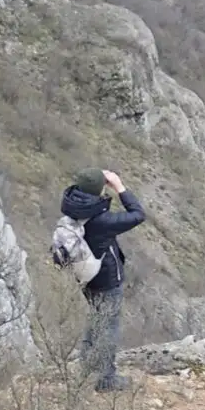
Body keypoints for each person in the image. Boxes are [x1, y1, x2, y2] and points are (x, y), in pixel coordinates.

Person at [59, 167, 146, 392]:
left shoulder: (73, 206)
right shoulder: (101, 219)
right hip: (106, 279)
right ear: (99, 189)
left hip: (86, 277)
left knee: (97, 319)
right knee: (109, 326)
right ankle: (106, 379)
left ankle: (87, 366)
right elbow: (138, 214)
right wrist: (119, 187)